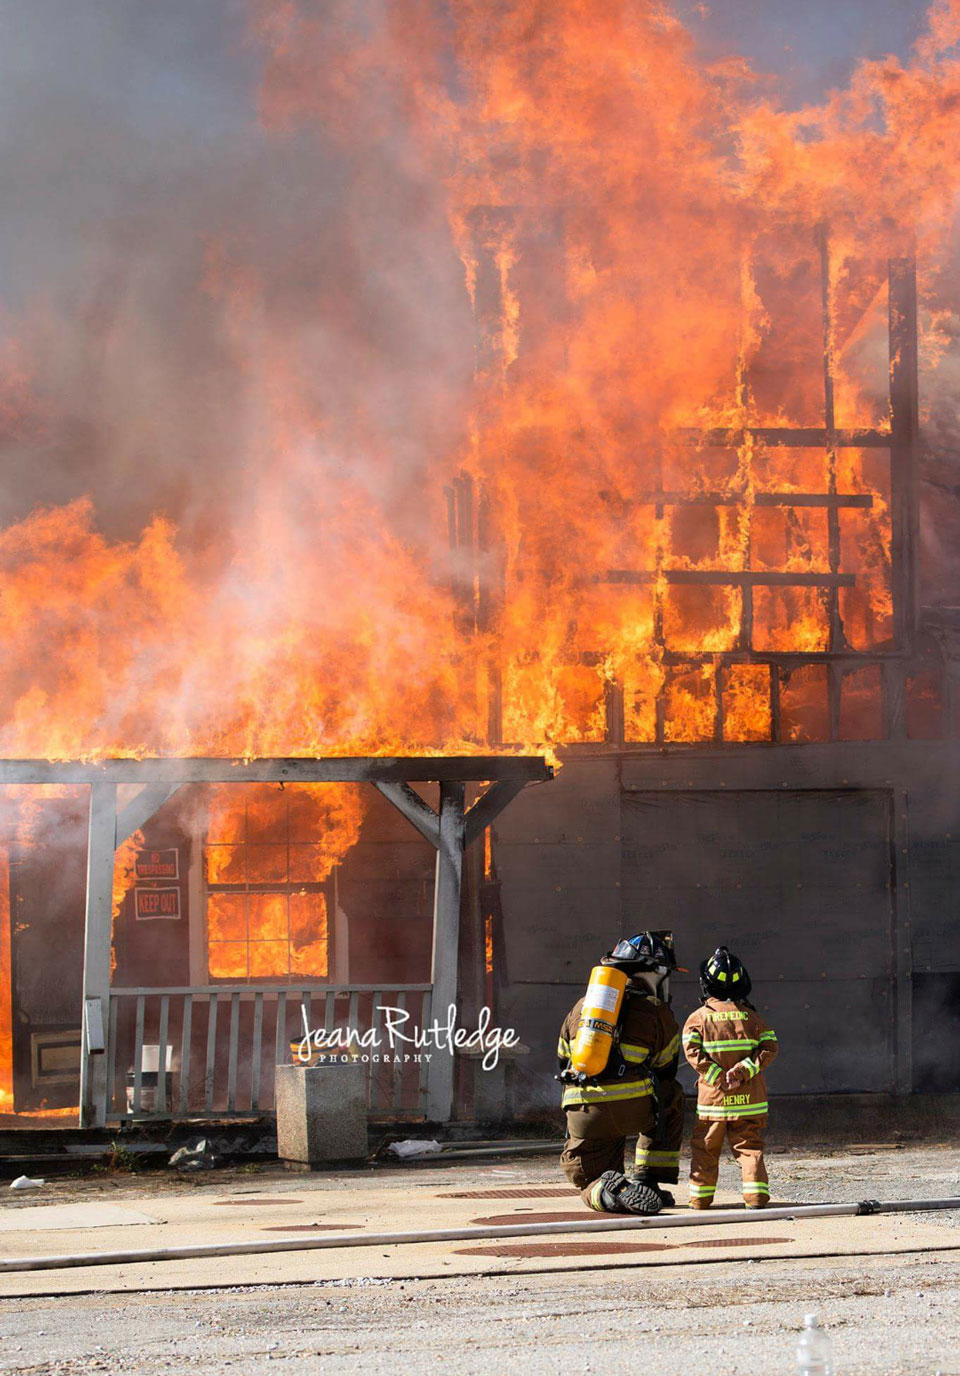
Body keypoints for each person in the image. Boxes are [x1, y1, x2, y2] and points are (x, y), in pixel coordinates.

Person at [557, 931, 685, 1214]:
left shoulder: (581, 1008)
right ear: (655, 973)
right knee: (672, 1096)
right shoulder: (655, 1011)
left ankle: (604, 1191)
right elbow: (667, 1069)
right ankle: (647, 1179)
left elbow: (563, 1061)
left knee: (591, 1180)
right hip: (633, 1111)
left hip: (585, 1115)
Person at [682, 946, 779, 1209]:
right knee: (749, 1148)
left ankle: (700, 1199)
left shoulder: (698, 1019)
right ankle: (756, 1196)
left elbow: (692, 1052)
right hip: (749, 1100)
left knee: (705, 1148)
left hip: (714, 1102)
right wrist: (743, 1071)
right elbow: (770, 1047)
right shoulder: (752, 1017)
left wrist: (718, 1076)